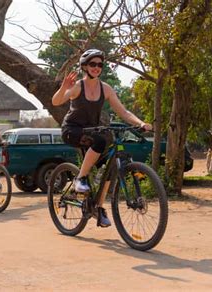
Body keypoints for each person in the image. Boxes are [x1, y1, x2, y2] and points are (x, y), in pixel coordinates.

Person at [52, 49, 152, 227]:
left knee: (110, 167)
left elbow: (123, 112)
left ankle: (98, 208)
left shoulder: (105, 88)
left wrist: (141, 123)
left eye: (99, 65)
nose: (97, 67)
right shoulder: (77, 87)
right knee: (99, 141)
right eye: (93, 64)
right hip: (72, 130)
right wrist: (63, 88)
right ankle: (80, 179)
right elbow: (56, 102)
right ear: (85, 66)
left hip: (92, 131)